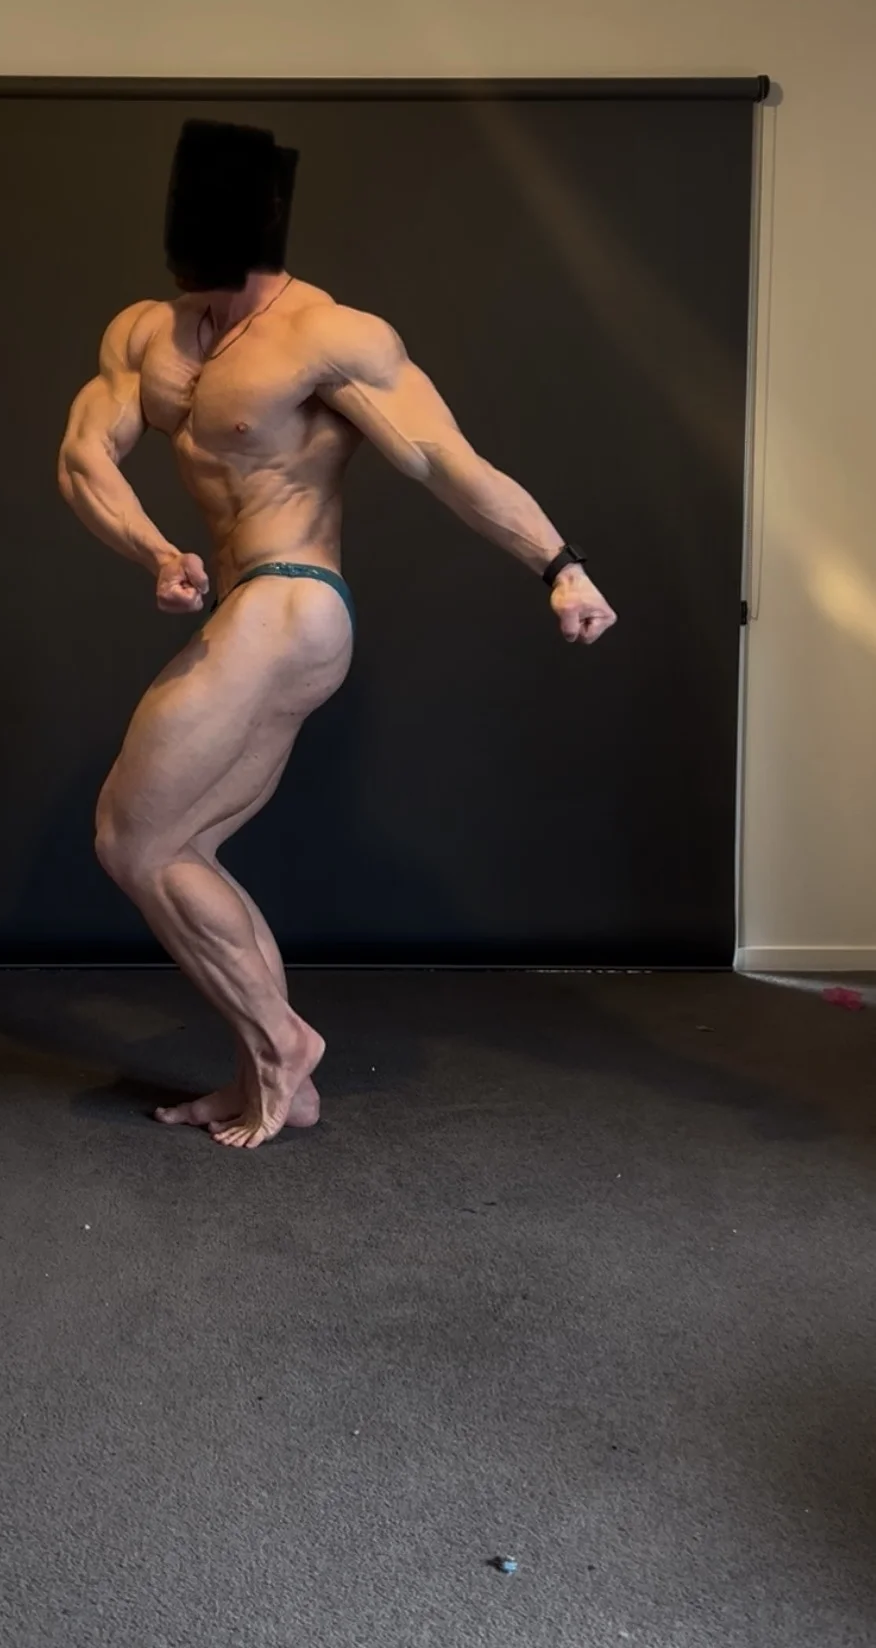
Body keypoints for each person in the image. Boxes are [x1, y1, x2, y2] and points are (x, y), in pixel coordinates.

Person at [58, 119, 616, 1151]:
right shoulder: (149, 336)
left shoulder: (328, 335)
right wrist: (155, 552)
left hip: (294, 597)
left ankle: (283, 1043)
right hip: (242, 606)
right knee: (184, 846)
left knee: (131, 837)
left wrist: (559, 565)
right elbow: (84, 458)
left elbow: (445, 460)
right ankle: (264, 1075)